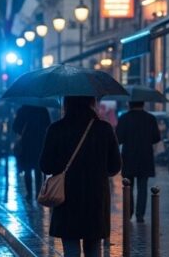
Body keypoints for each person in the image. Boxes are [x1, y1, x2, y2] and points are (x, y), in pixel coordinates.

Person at [40, 96, 121, 257]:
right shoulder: (104, 129)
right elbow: (115, 166)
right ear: (91, 102)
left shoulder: (56, 129)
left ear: (66, 103)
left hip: (67, 199)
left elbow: (45, 165)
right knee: (93, 248)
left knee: (70, 248)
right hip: (95, 198)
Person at [115, 101, 161, 223]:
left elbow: (118, 138)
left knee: (128, 186)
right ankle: (140, 215)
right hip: (145, 157)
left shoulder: (124, 118)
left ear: (129, 104)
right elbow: (156, 137)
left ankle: (129, 213)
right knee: (143, 187)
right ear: (143, 104)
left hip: (128, 157)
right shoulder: (150, 118)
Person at [12, 104, 51, 199]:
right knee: (38, 169)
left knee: (27, 169)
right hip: (40, 143)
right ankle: (38, 192)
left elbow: (15, 127)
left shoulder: (22, 110)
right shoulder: (42, 109)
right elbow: (48, 125)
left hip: (26, 144)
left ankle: (29, 193)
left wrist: (22, 131)